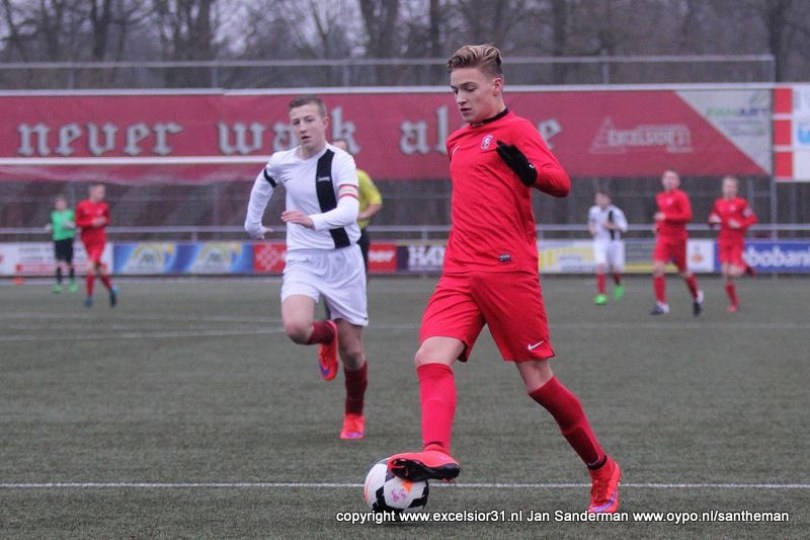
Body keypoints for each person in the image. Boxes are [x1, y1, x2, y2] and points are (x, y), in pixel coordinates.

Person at [386, 44, 621, 514]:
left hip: (507, 270)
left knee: (538, 384)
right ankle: (435, 450)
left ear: (497, 86)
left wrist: (530, 171)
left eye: (469, 88)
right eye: (455, 91)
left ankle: (601, 468)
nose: (461, 99)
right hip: (458, 270)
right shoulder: (456, 141)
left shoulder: (518, 130)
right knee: (430, 356)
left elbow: (561, 182)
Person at [244, 95, 369, 440]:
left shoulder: (341, 161)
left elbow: (347, 212)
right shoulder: (281, 162)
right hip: (303, 259)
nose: (302, 128)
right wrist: (252, 224)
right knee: (296, 328)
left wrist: (310, 220)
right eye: (296, 122)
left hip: (343, 260)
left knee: (354, 353)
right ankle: (325, 334)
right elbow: (262, 185)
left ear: (324, 123)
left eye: (309, 120)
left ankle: (354, 414)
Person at [650, 169, 703, 316]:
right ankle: (662, 304)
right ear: (662, 180)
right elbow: (663, 219)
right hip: (664, 239)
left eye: (672, 178)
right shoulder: (660, 197)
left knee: (684, 272)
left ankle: (696, 296)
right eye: (666, 178)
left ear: (678, 182)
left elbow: (687, 216)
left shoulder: (681, 196)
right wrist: (658, 226)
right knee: (657, 268)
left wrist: (665, 217)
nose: (669, 180)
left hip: (679, 240)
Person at [332, 139, 383, 273]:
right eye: (335, 151)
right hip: (332, 233)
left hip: (357, 233)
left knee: (359, 273)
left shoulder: (359, 176)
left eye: (342, 151)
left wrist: (363, 215)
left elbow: (376, 201)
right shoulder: (324, 177)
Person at [708, 175, 758, 312]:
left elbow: (753, 218)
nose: (728, 189)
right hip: (723, 241)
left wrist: (740, 224)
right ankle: (734, 303)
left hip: (736, 241)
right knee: (725, 273)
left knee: (734, 273)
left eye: (731, 186)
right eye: (726, 186)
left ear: (736, 189)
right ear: (722, 188)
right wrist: (712, 221)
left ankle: (746, 267)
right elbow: (712, 221)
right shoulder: (718, 203)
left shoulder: (741, 203)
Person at [75, 184, 118, 308]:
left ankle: (89, 298)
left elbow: (108, 220)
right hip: (87, 242)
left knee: (90, 267)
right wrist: (91, 223)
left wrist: (103, 221)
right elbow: (78, 223)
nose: (102, 194)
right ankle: (111, 291)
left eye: (103, 192)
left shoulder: (104, 206)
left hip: (99, 241)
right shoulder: (82, 205)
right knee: (99, 269)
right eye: (100, 192)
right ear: (92, 192)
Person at [588, 191, 628, 305]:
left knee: (615, 269)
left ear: (608, 199)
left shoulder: (616, 212)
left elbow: (624, 228)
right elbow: (591, 223)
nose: (599, 201)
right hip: (599, 242)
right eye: (597, 199)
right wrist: (591, 229)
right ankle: (601, 295)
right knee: (600, 265)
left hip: (613, 243)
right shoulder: (593, 210)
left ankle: (618, 285)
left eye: (601, 198)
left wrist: (610, 226)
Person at [46, 194, 78, 293]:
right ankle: (59, 284)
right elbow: (51, 225)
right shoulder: (53, 214)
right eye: (58, 204)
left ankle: (72, 282)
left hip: (68, 239)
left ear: (65, 204)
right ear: (56, 206)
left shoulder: (70, 213)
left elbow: (76, 224)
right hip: (57, 240)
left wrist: (71, 225)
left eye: (62, 204)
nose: (60, 206)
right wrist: (49, 228)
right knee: (58, 263)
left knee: (69, 262)